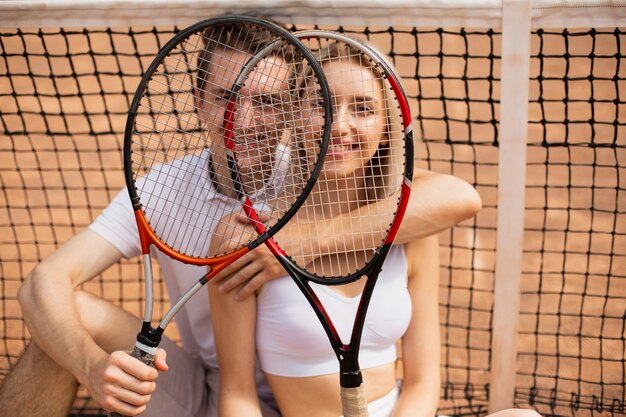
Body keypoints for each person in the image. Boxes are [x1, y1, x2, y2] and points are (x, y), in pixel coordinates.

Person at [0, 24, 481, 417]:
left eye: (266, 101)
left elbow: (451, 197)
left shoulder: (321, 168)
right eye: (226, 97)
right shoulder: (159, 192)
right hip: (210, 387)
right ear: (198, 99)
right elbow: (43, 282)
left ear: (292, 110)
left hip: (307, 396)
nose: (244, 120)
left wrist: (291, 242)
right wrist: (89, 366)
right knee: (59, 322)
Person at [208, 41, 535, 417]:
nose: (339, 124)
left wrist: (306, 240)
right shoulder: (244, 236)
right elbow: (238, 395)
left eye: (362, 109)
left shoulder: (409, 230)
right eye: (321, 104)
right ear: (296, 115)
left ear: (384, 130)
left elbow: (422, 382)